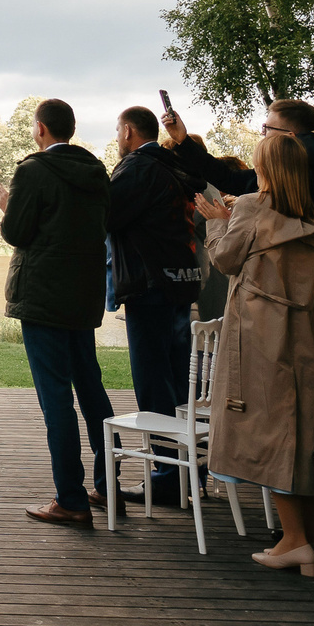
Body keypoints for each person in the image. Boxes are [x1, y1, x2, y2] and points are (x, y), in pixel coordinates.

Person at [195, 131, 314, 574]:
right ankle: (311, 536)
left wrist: (217, 220)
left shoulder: (252, 207)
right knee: (298, 424)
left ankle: (292, 541)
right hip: (299, 329)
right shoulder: (307, 212)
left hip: (256, 330)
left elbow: (226, 259)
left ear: (265, 167)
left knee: (263, 426)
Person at [0, 99, 114, 526]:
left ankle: (71, 500)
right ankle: (106, 486)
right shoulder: (97, 171)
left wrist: (8, 208)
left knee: (56, 399)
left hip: (43, 296)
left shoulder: (33, 171)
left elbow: (17, 232)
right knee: (91, 387)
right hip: (83, 294)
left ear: (40, 129)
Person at [105, 106, 201, 507]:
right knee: (178, 381)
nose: (116, 138)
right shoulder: (174, 166)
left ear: (128, 131)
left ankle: (167, 478)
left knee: (153, 382)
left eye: (117, 131)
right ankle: (190, 472)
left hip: (150, 285)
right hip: (181, 281)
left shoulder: (137, 168)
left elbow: (108, 216)